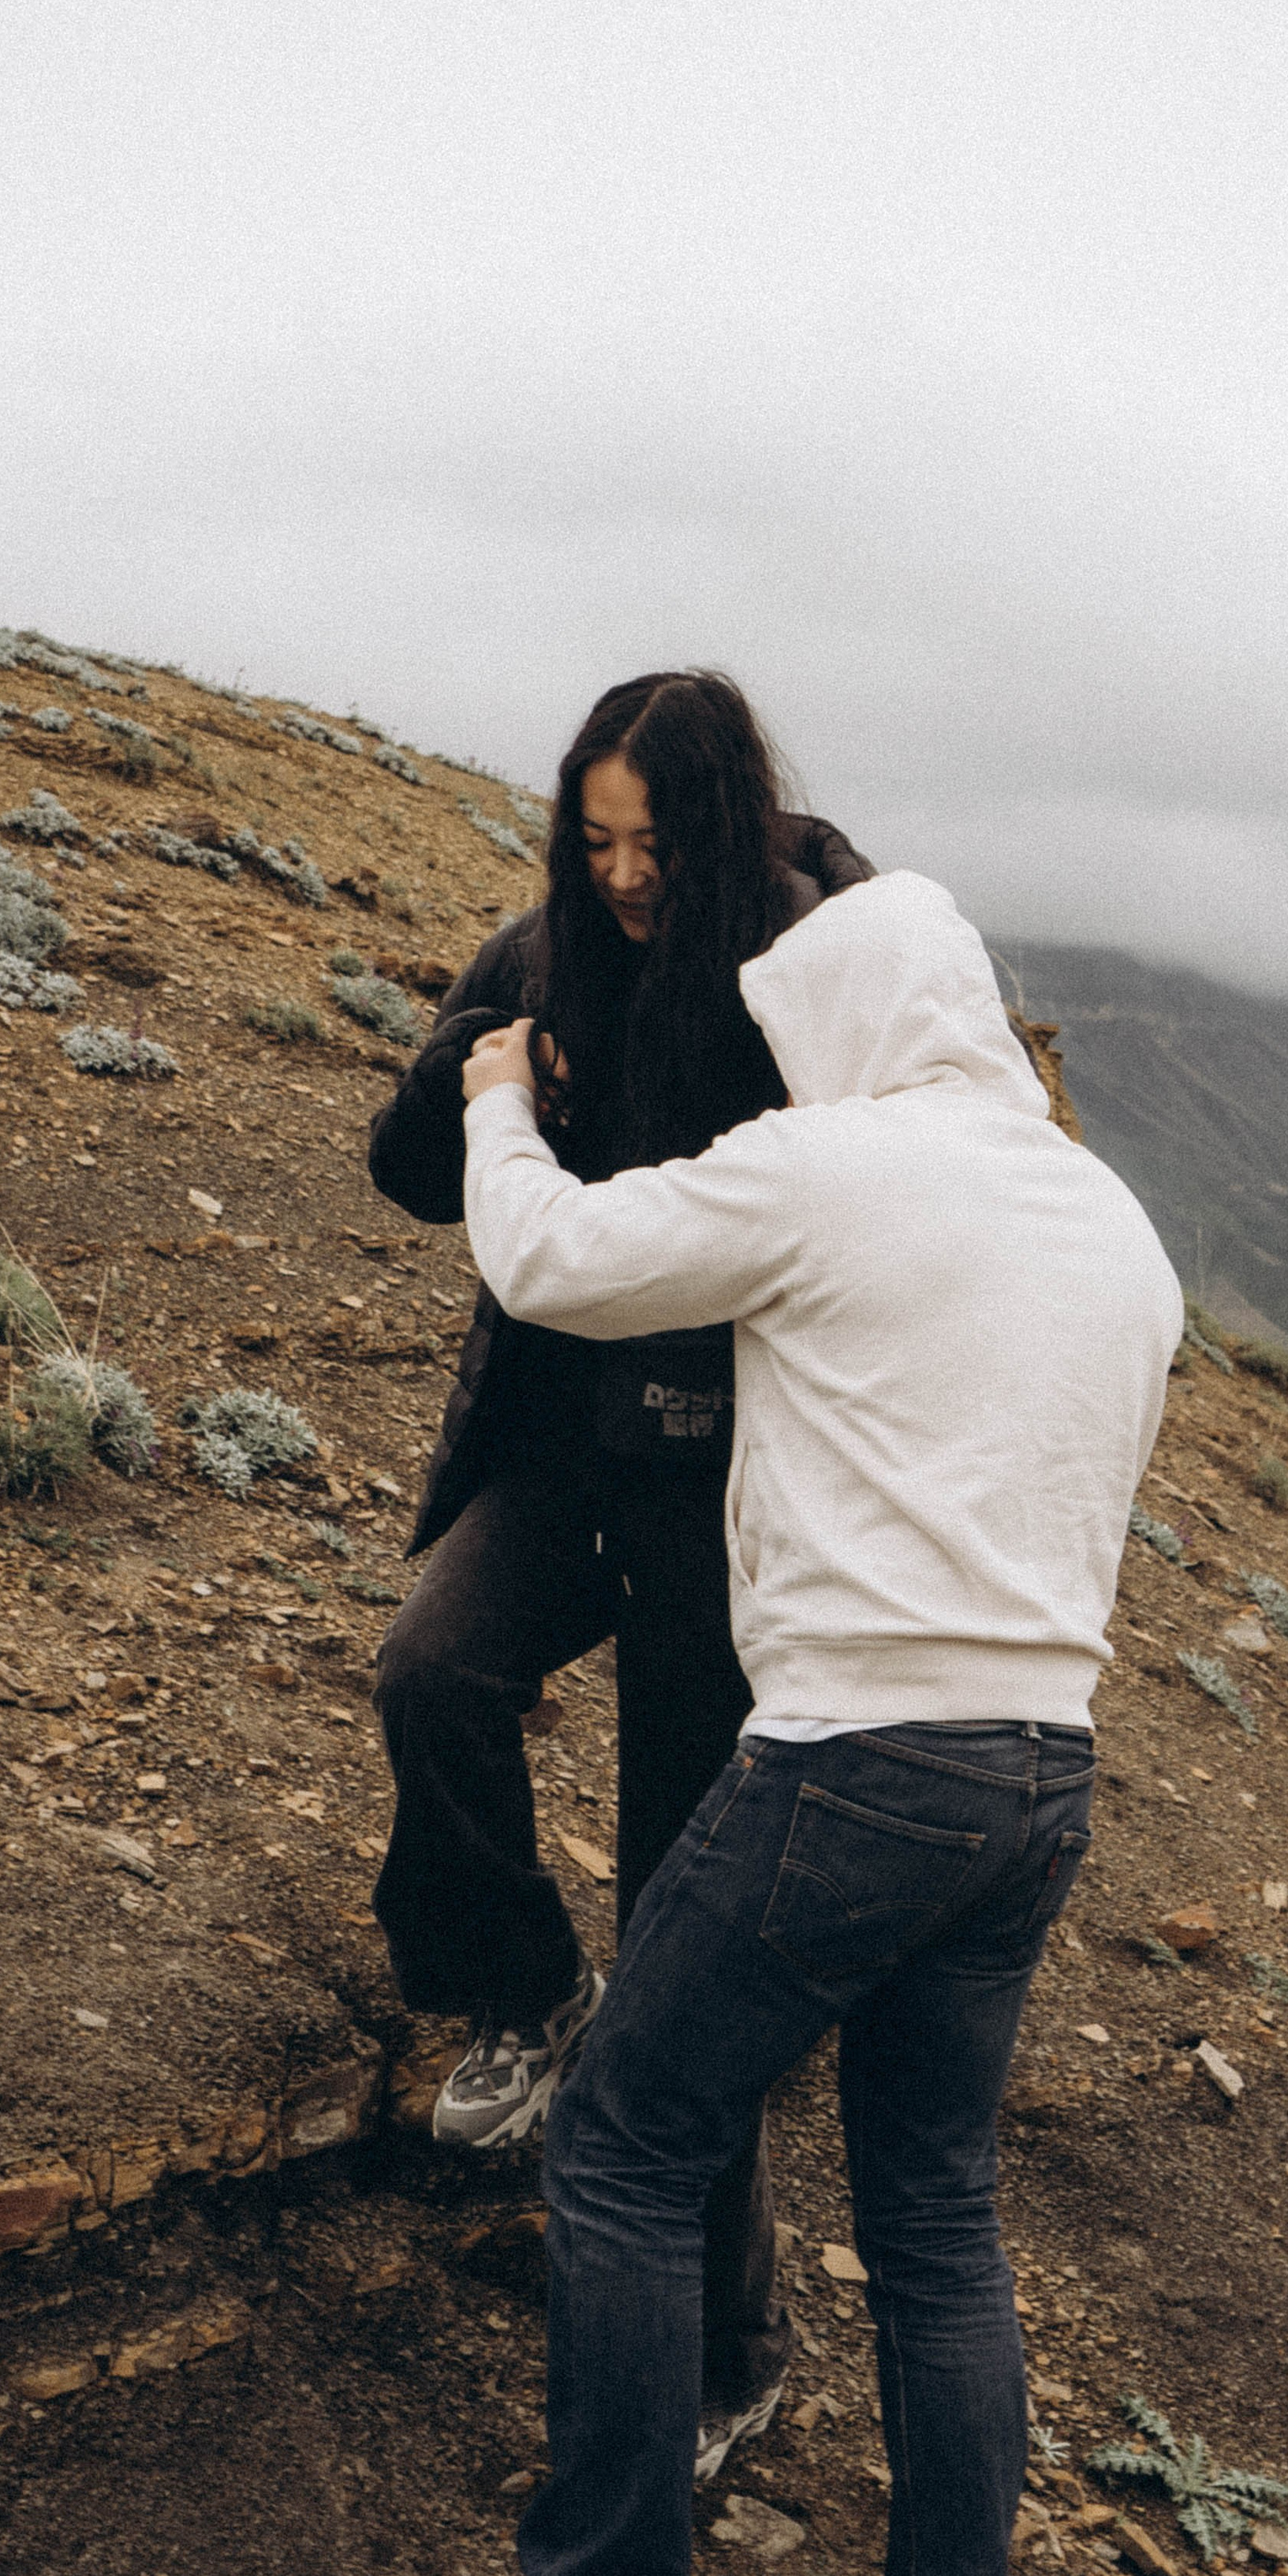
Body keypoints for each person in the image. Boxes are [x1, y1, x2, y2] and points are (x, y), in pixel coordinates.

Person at [357, 873, 1183, 2576]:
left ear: (848, 1030)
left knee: (633, 2136)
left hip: (854, 1764)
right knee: (932, 2218)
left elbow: (553, 1260)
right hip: (1037, 1776)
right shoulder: (1109, 1222)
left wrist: (491, 1097)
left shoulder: (841, 1169)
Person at [365, 670, 872, 2472]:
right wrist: (474, 1071)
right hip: (560, 1451)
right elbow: (411, 1176)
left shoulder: (811, 968)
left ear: (727, 823)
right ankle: (518, 1988)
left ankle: (734, 2352)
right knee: (431, 1671)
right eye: (595, 839)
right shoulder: (540, 950)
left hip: (734, 1503)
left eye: (656, 840)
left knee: (684, 1916)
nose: (626, 872)